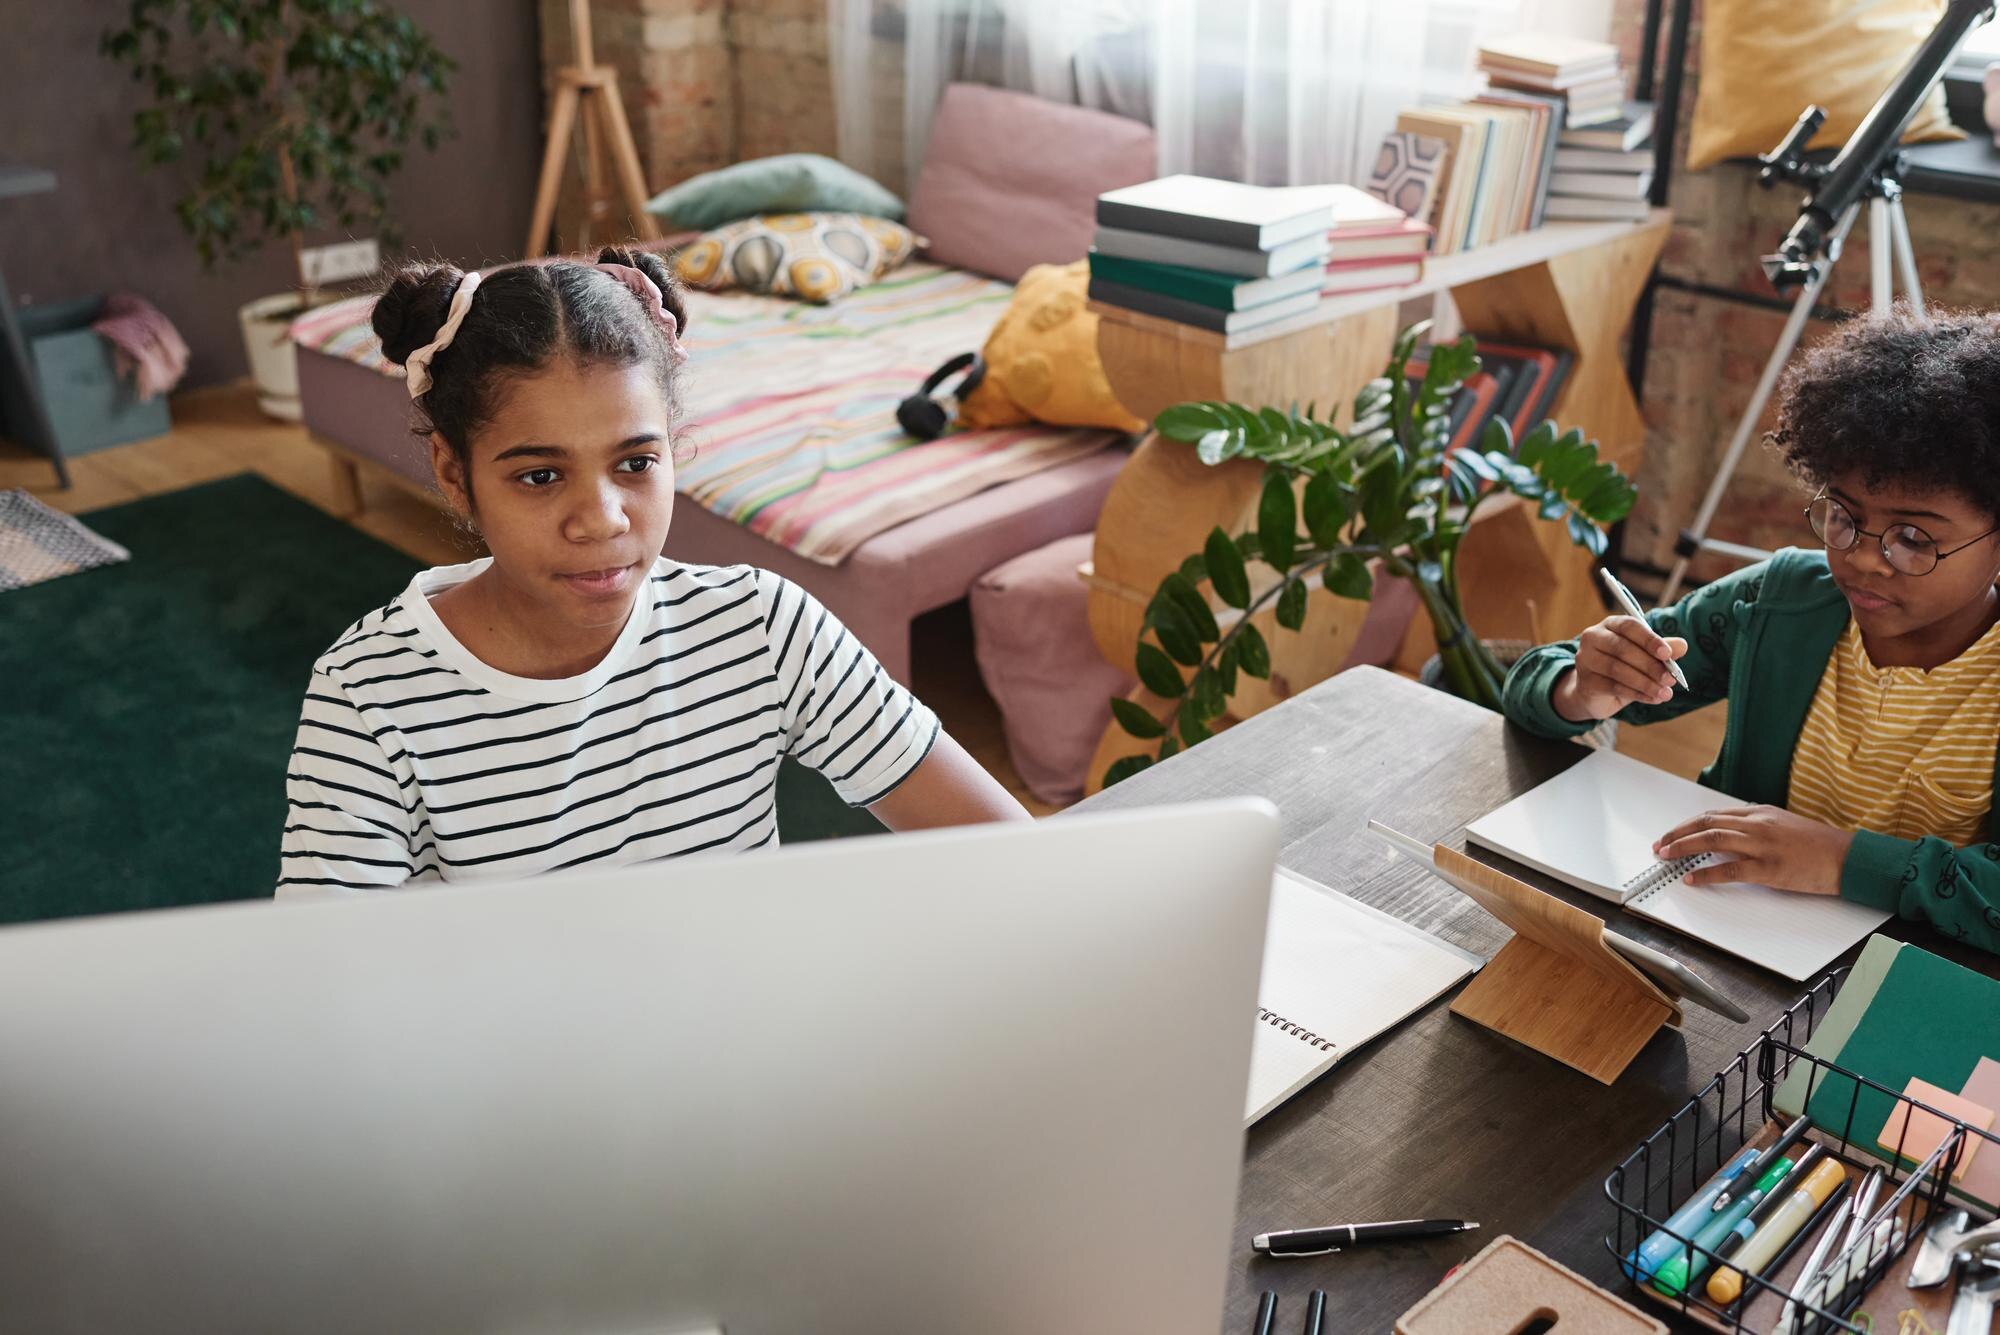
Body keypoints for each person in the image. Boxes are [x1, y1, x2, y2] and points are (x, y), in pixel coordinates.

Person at [278, 248, 1027, 893]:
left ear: (674, 448)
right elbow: (320, 1001)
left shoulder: (761, 626)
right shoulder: (368, 698)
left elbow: (1015, 852)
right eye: (540, 476)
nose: (602, 519)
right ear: (453, 471)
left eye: (636, 463)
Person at [1503, 308, 2000, 954]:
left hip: (1912, 983)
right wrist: (1581, 688)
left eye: (1914, 539)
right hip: (1731, 938)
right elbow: (1530, 685)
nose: (1862, 557)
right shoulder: (1781, 599)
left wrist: (1841, 860)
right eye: (1844, 516)